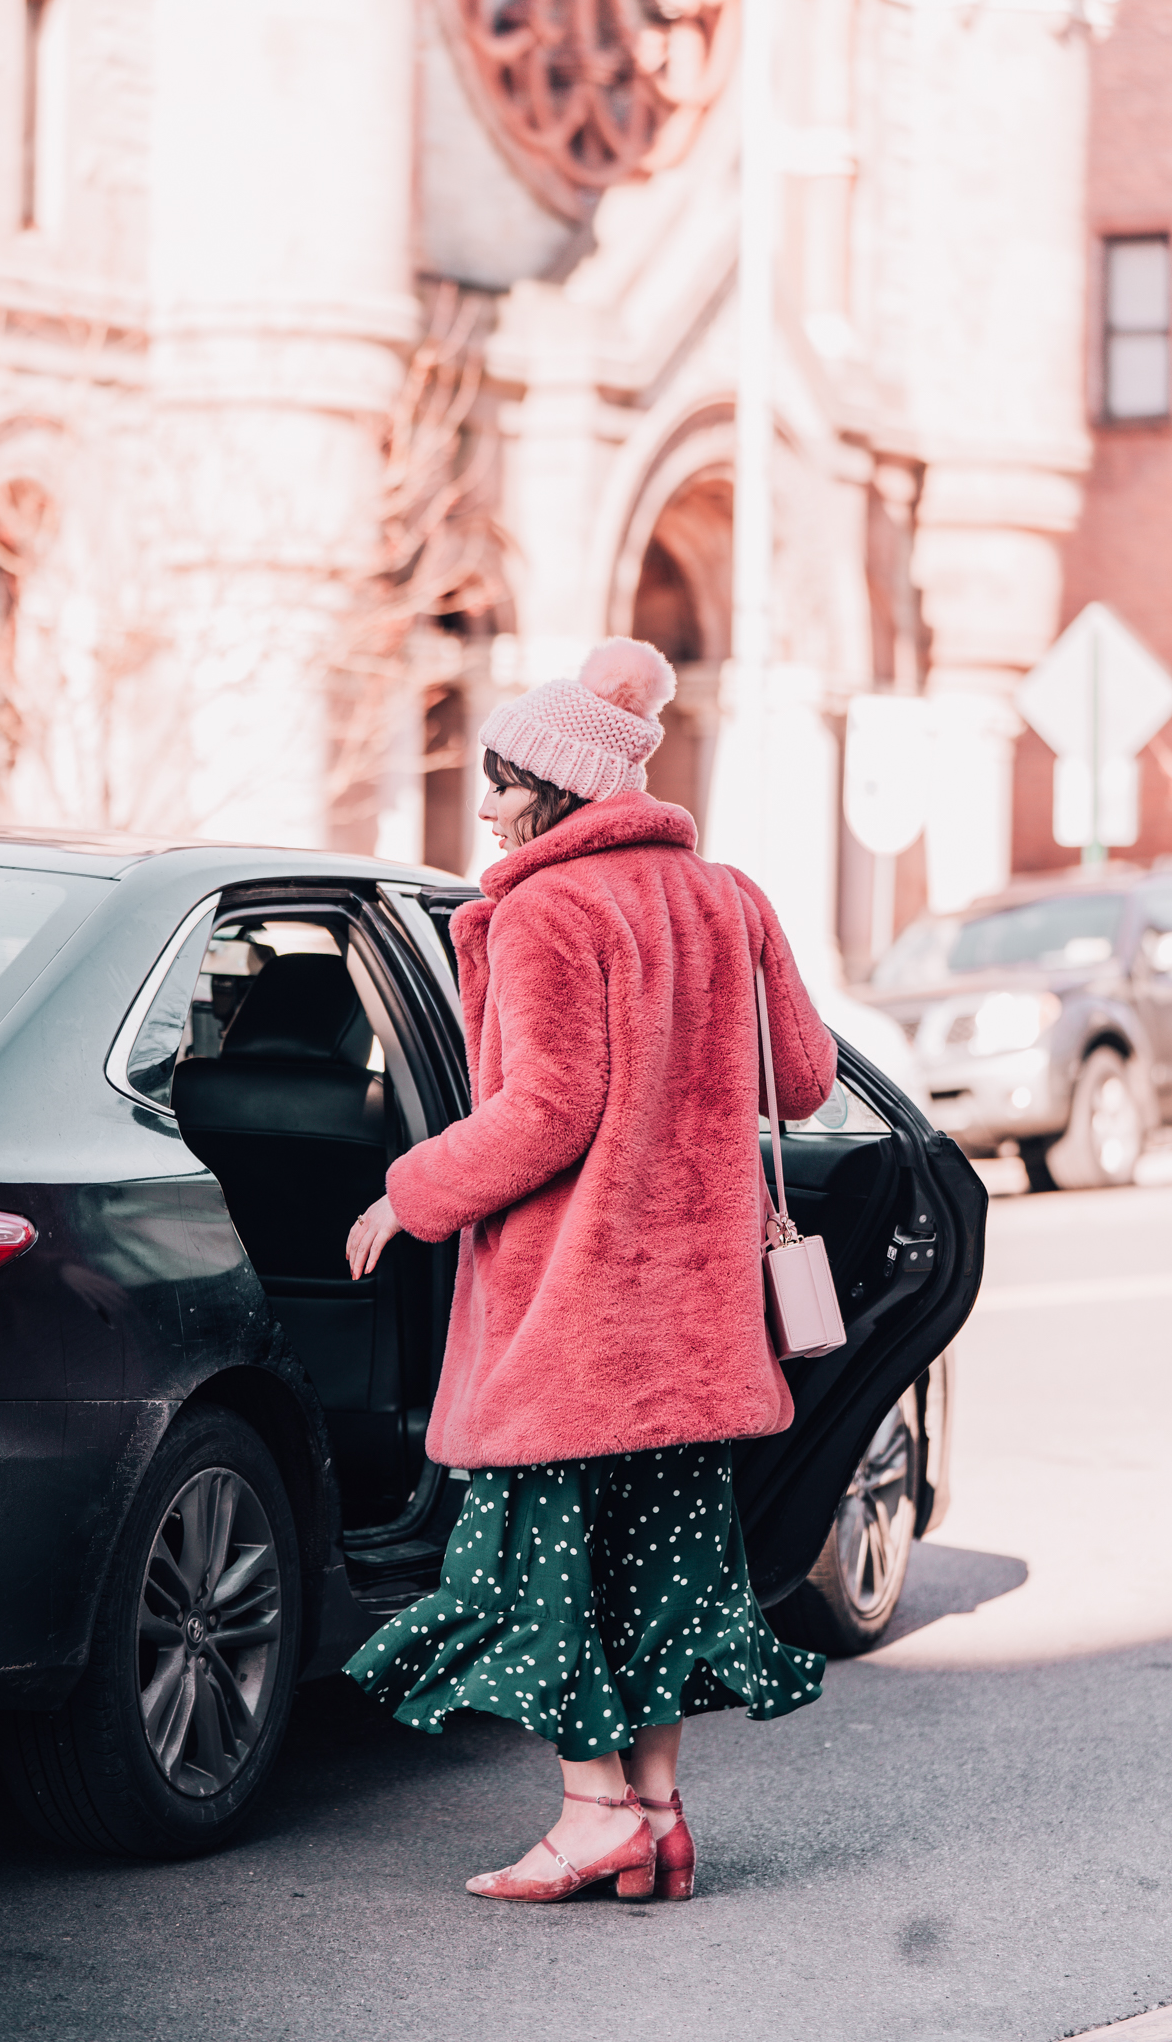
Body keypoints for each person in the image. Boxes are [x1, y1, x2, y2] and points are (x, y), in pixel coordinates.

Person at [343, 638, 836, 1905]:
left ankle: (588, 1817)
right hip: (696, 1319)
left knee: (542, 1569)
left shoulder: (548, 910)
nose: (491, 804)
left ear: (561, 783)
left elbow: (547, 1110)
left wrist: (408, 1196)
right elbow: (805, 1078)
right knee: (666, 1565)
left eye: (505, 779)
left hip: (575, 1317)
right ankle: (659, 1821)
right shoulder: (728, 896)